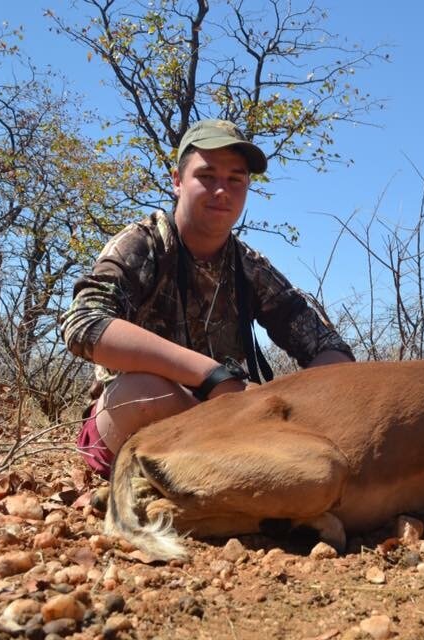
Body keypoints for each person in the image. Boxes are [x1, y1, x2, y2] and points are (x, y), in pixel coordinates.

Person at [61, 119, 354, 479]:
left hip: (229, 422)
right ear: (177, 181)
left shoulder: (250, 267)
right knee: (140, 393)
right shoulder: (143, 243)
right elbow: (84, 324)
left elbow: (331, 350)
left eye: (236, 179)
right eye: (207, 176)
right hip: (150, 415)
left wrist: (286, 403)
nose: (222, 191)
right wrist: (213, 378)